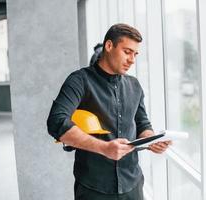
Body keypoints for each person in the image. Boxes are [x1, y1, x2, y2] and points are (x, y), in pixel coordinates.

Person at [47, 23, 171, 200]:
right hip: (94, 187)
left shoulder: (134, 85)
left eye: (135, 54)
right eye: (127, 51)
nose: (132, 60)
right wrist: (103, 148)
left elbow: (143, 123)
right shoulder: (79, 80)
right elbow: (56, 122)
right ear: (109, 45)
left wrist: (152, 140)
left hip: (132, 184)